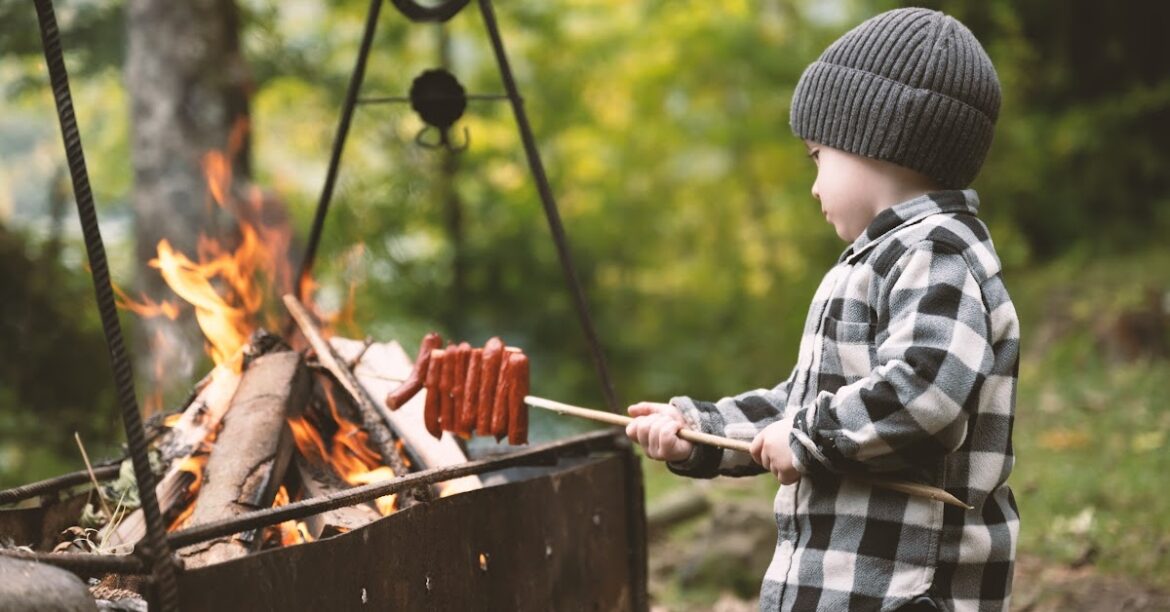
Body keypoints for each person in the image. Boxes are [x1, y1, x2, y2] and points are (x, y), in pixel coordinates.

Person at [625, 8, 1019, 612]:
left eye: (817, 156)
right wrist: (697, 433)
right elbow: (802, 405)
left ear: (878, 141)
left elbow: (925, 394)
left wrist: (807, 436)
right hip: (839, 582)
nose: (812, 184)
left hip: (903, 588)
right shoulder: (878, 260)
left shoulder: (937, 254)